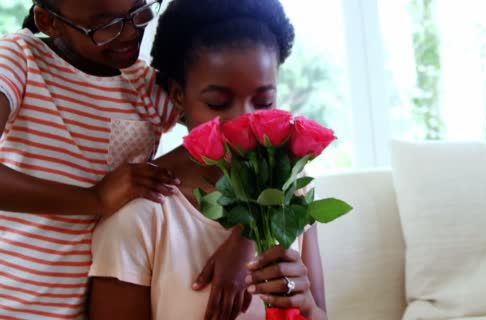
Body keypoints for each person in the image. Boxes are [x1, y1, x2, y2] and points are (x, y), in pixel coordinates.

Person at [87, 0, 328, 319]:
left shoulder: (292, 195)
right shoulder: (141, 218)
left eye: (264, 100)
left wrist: (306, 305)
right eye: (218, 103)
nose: (245, 121)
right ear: (177, 96)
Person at [0, 0, 183, 318]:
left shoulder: (149, 90)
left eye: (138, 11)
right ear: (48, 21)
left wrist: (242, 244)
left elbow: (229, 132)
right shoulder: (20, 58)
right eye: (104, 24)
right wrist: (94, 198)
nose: (128, 33)